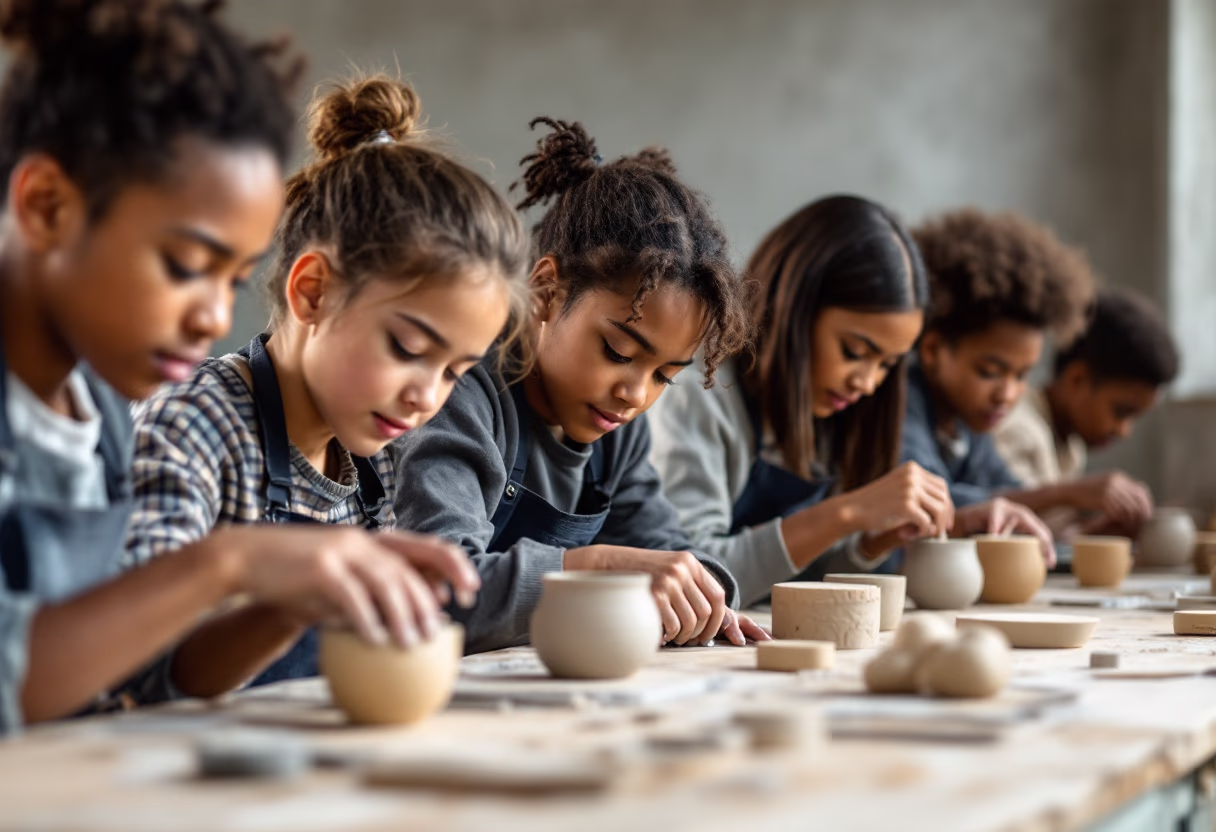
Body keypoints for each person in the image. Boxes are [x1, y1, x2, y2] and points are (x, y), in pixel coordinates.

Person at [0, 0, 473, 733]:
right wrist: (226, 563)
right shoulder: (175, 419)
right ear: (47, 205)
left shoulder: (95, 419)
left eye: (232, 280)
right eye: (187, 266)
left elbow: (139, 676)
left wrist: (289, 596)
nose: (215, 320)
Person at [123, 74, 529, 689]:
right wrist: (290, 599)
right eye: (407, 348)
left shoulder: (382, 453)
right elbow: (142, 671)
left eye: (455, 372)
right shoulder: (193, 427)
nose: (427, 395)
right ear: (313, 292)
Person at [390, 118, 766, 653]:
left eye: (664, 375)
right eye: (618, 352)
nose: (634, 394)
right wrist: (600, 565)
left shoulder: (614, 431)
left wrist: (705, 591)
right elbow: (441, 591)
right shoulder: (461, 390)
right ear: (545, 290)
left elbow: (663, 546)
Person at [651, 196, 1052, 606]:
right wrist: (846, 513)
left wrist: (873, 542)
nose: (867, 382)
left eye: (887, 365)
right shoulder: (702, 388)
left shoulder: (837, 413)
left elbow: (806, 576)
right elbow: (693, 576)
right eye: (855, 351)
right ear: (795, 310)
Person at [901, 207, 1094, 560]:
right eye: (990, 372)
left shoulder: (967, 425)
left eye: (1022, 375)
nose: (1007, 395)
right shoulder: (900, 402)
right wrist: (1067, 493)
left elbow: (1005, 492)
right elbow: (923, 500)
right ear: (932, 349)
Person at [993, 287, 1178, 537]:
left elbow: (1048, 537)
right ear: (1077, 379)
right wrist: (1070, 492)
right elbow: (994, 519)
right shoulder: (1015, 426)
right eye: (1121, 412)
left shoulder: (1070, 444)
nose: (1123, 431)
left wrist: (1095, 533)